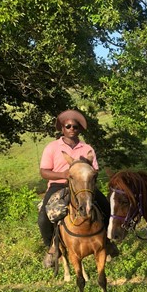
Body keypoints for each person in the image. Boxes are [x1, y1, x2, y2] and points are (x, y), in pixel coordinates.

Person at [36, 109, 115, 268]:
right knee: (43, 217)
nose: (72, 129)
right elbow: (44, 172)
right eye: (68, 126)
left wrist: (84, 173)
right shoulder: (52, 147)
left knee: (106, 207)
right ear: (62, 129)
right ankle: (52, 247)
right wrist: (63, 174)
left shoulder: (87, 148)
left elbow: (95, 170)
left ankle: (107, 242)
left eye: (75, 126)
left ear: (79, 129)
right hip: (58, 184)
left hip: (83, 185)